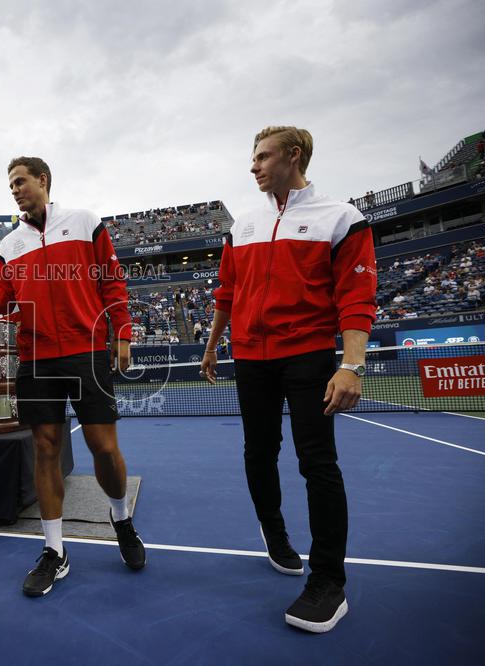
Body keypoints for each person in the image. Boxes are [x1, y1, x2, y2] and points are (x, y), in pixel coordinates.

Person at [200, 126, 377, 633]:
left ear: (293, 156)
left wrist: (351, 364)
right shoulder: (244, 225)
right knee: (258, 453)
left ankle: (328, 581)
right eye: (252, 158)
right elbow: (226, 294)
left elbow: (357, 296)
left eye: (262, 157)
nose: (253, 166)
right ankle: (275, 534)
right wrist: (213, 346)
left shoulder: (341, 218)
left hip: (308, 356)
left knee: (317, 463)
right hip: (252, 359)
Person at [0, 156, 144, 597]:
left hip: (86, 352)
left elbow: (112, 281)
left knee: (104, 448)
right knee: (45, 450)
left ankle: (120, 518)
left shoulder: (85, 222)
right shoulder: (8, 246)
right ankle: (54, 551)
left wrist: (121, 333)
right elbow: (4, 302)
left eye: (20, 181)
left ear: (43, 180)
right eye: (10, 185)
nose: (15, 190)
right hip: (36, 357)